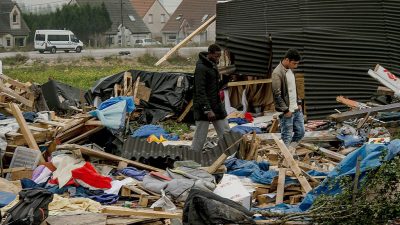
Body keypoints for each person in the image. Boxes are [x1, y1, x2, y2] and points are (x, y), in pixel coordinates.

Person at [191, 44, 230, 151]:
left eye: (219, 56)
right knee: (200, 137)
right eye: (216, 56)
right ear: (210, 53)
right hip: (204, 108)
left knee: (226, 134)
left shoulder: (212, 65)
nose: (218, 59)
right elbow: (200, 91)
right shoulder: (201, 68)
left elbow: (215, 87)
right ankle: (192, 158)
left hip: (216, 106)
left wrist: (226, 79)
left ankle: (232, 157)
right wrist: (207, 110)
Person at [271, 48, 305, 149]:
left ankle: (290, 152)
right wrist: (285, 110)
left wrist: (299, 102)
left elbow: (294, 88)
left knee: (301, 132)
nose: (296, 66)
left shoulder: (290, 70)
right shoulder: (277, 73)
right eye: (294, 63)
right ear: (287, 60)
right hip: (286, 112)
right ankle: (285, 158)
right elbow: (277, 95)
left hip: (296, 109)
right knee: (287, 137)